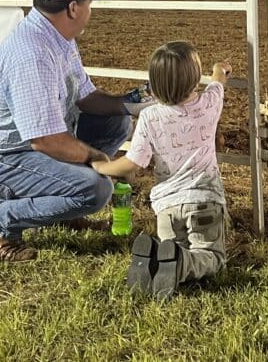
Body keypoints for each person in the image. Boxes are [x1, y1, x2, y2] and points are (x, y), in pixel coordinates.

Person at [0, 0, 152, 263]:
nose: (91, 10)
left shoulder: (56, 38)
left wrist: (128, 103)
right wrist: (98, 159)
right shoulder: (34, 54)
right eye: (89, 3)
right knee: (96, 189)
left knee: (116, 121)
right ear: (74, 8)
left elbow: (86, 97)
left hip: (29, 147)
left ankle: (66, 207)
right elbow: (46, 140)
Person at [92, 42, 231, 300]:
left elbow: (134, 162)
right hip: (205, 200)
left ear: (153, 85)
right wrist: (219, 69)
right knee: (211, 256)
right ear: (195, 79)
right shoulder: (208, 105)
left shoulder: (149, 117)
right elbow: (218, 82)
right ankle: (180, 264)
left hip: (166, 207)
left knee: (174, 247)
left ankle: (159, 260)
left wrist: (103, 166)